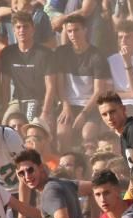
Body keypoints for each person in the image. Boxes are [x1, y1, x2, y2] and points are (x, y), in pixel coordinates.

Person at [54, 15, 110, 147]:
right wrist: (65, 105)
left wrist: (84, 114)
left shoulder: (97, 56)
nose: (73, 34)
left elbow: (99, 91)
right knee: (62, 133)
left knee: (88, 135)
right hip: (68, 104)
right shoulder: (61, 52)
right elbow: (59, 84)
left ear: (85, 30)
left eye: (76, 30)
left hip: (90, 106)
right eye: (69, 31)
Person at [0, 10, 56, 123]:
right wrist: (5, 109)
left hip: (41, 102)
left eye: (25, 27)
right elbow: (4, 85)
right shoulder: (7, 53)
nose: (22, 30)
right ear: (13, 30)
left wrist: (45, 112)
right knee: (6, 126)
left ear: (33, 29)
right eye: (18, 27)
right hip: (17, 102)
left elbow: (51, 87)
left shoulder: (45, 54)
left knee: (37, 128)